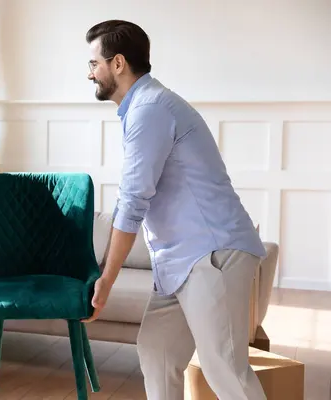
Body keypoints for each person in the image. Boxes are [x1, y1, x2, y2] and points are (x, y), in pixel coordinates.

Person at [81, 20, 267, 400]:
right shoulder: (143, 107)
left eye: (94, 63)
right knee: (157, 349)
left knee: (224, 368)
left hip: (212, 255)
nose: (90, 73)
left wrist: (107, 278)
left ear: (118, 64)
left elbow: (133, 201)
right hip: (179, 261)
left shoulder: (150, 108)